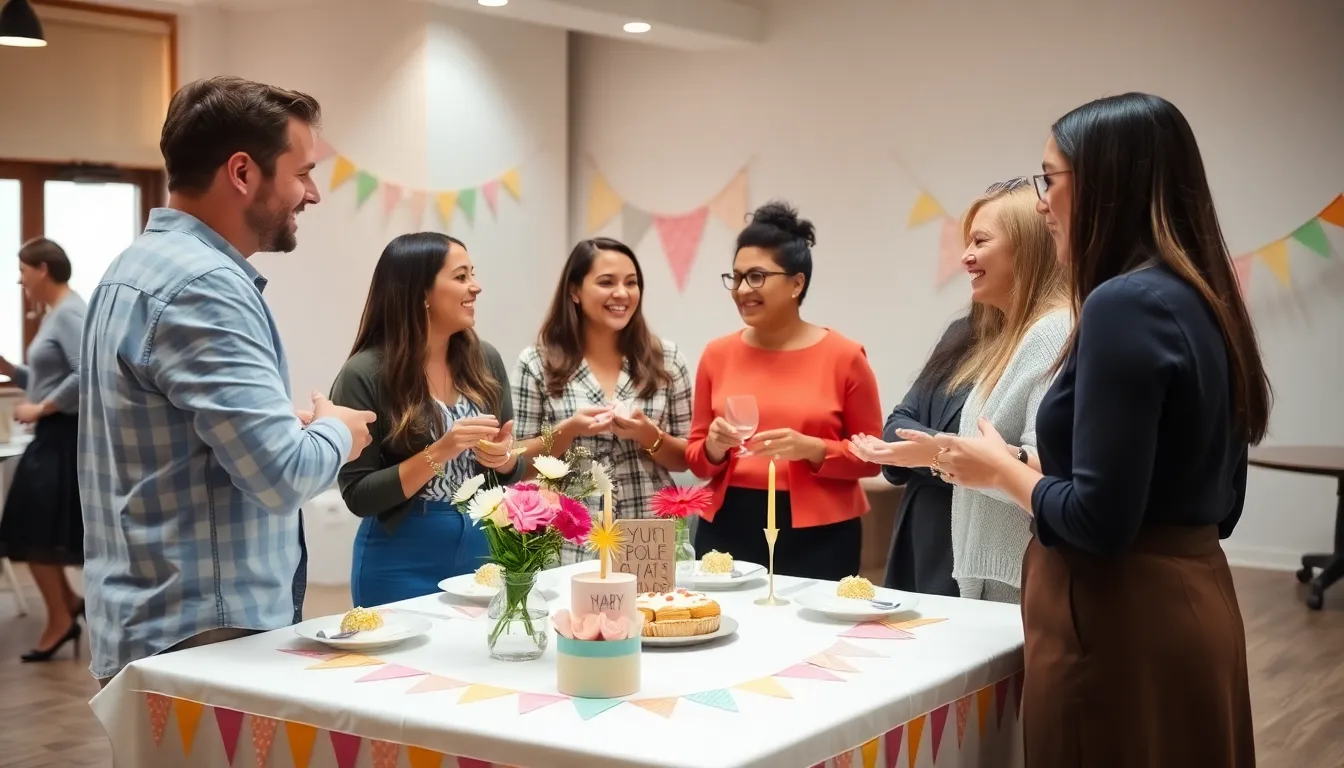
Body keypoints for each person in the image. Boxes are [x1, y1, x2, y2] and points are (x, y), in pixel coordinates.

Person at [899, 93, 1267, 766]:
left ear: (1107, 184)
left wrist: (999, 470)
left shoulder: (1121, 304)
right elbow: (1215, 503)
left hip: (1116, 622)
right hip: (1197, 600)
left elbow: (1100, 519)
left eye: (1049, 179)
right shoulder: (1200, 296)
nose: (1041, 202)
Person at [78, 76, 375, 688]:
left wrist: (280, 427)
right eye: (303, 172)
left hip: (155, 620)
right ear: (242, 173)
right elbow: (280, 475)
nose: (312, 194)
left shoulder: (131, 268)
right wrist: (336, 430)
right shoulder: (204, 287)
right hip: (203, 636)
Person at [854, 179, 1069, 602]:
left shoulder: (1051, 333)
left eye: (981, 241)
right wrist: (945, 455)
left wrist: (935, 454)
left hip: (1013, 574)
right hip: (954, 548)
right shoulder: (968, 333)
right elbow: (897, 423)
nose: (966, 256)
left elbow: (1044, 472)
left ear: (1025, 248)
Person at [685, 201, 882, 581]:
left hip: (820, 532)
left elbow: (873, 456)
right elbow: (697, 458)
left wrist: (813, 449)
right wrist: (713, 446)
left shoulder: (844, 356)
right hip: (729, 524)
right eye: (737, 277)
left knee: (814, 639)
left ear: (797, 283)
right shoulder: (716, 354)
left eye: (756, 277)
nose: (742, 290)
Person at [330, 232, 525, 605]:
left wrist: (505, 460)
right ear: (420, 292)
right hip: (399, 559)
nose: (476, 287)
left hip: (484, 548)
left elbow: (510, 466)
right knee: (403, 665)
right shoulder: (364, 373)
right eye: (461, 276)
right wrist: (442, 450)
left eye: (473, 274)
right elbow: (359, 495)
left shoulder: (486, 361)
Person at [513, 238, 693, 565]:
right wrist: (567, 431)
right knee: (572, 616)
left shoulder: (667, 360)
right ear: (575, 291)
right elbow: (517, 462)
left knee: (653, 614)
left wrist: (647, 435)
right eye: (607, 282)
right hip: (568, 536)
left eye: (631, 283)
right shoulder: (536, 363)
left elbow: (685, 458)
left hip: (647, 533)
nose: (622, 293)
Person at [0, 238, 86, 661]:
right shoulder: (58, 315)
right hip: (52, 436)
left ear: (43, 269)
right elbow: (47, 375)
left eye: (23, 270)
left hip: (62, 437)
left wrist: (42, 408)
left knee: (30, 530)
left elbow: (86, 373)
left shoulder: (71, 313)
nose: (19, 280)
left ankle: (60, 618)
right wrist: (9, 369)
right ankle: (65, 607)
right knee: (33, 530)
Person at [852, 310, 978, 596]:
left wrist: (928, 453)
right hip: (919, 525)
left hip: (972, 525)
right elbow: (898, 421)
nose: (966, 261)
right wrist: (936, 453)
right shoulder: (962, 330)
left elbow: (1002, 450)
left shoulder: (1041, 334)